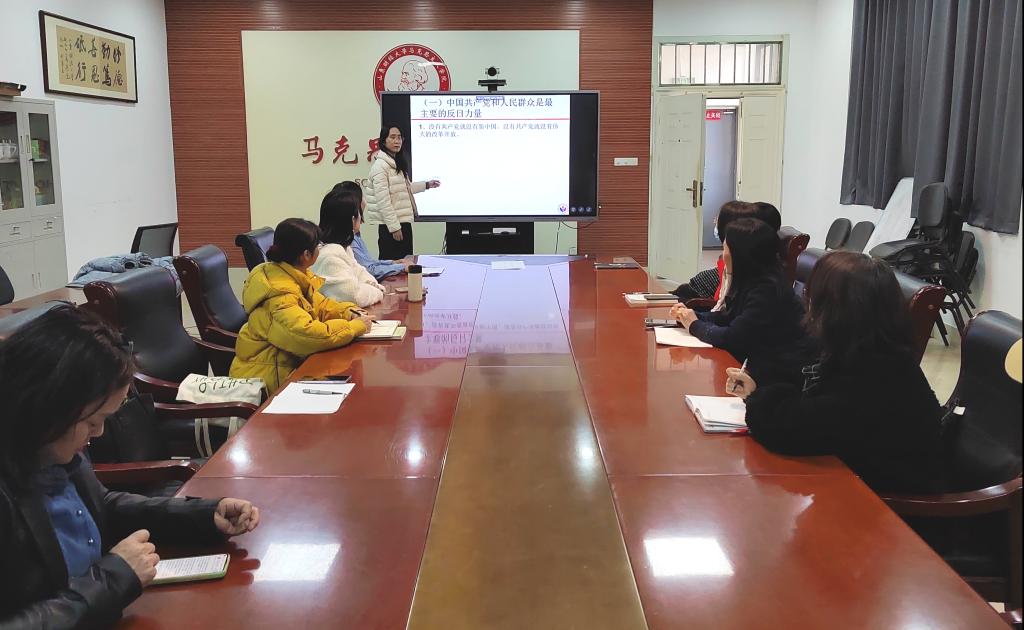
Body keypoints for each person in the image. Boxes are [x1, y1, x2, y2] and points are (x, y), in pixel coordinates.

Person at [0, 305, 260, 627]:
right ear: (47, 406)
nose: (98, 433)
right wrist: (113, 579)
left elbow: (102, 507)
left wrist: (203, 515)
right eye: (93, 422)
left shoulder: (52, 447)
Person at [726, 251, 947, 493]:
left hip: (887, 503)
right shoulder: (873, 350)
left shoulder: (875, 376)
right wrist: (761, 388)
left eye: (813, 298)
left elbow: (785, 427)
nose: (807, 305)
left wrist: (758, 398)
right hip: (858, 480)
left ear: (835, 312)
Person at [230, 218, 372, 391]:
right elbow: (309, 335)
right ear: (306, 255)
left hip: (290, 366)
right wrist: (353, 327)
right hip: (267, 381)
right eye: (318, 246)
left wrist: (348, 311)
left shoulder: (293, 275)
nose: (320, 249)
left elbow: (321, 305)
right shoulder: (279, 294)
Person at [670, 218, 811, 387]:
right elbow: (730, 317)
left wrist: (694, 325)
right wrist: (692, 316)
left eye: (725, 249)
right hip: (758, 367)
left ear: (740, 255)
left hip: (778, 379)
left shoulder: (767, 291)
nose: (723, 255)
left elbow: (732, 338)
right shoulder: (752, 280)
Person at [364, 125, 441, 259]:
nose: (397, 141)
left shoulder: (395, 163)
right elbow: (383, 201)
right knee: (393, 265)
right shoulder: (380, 167)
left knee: (407, 263)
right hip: (391, 227)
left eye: (399, 137)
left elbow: (405, 189)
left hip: (402, 223)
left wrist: (427, 185)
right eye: (392, 137)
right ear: (384, 141)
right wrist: (394, 228)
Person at [311, 187, 387, 307]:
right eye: (360, 214)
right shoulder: (329, 257)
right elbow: (355, 297)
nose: (361, 220)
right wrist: (377, 292)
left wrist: (373, 287)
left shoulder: (343, 248)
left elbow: (361, 273)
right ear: (352, 220)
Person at [333, 181, 408, 281]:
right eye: (362, 197)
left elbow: (369, 263)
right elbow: (369, 270)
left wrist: (393, 263)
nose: (365, 202)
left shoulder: (353, 235)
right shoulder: (349, 240)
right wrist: (401, 267)